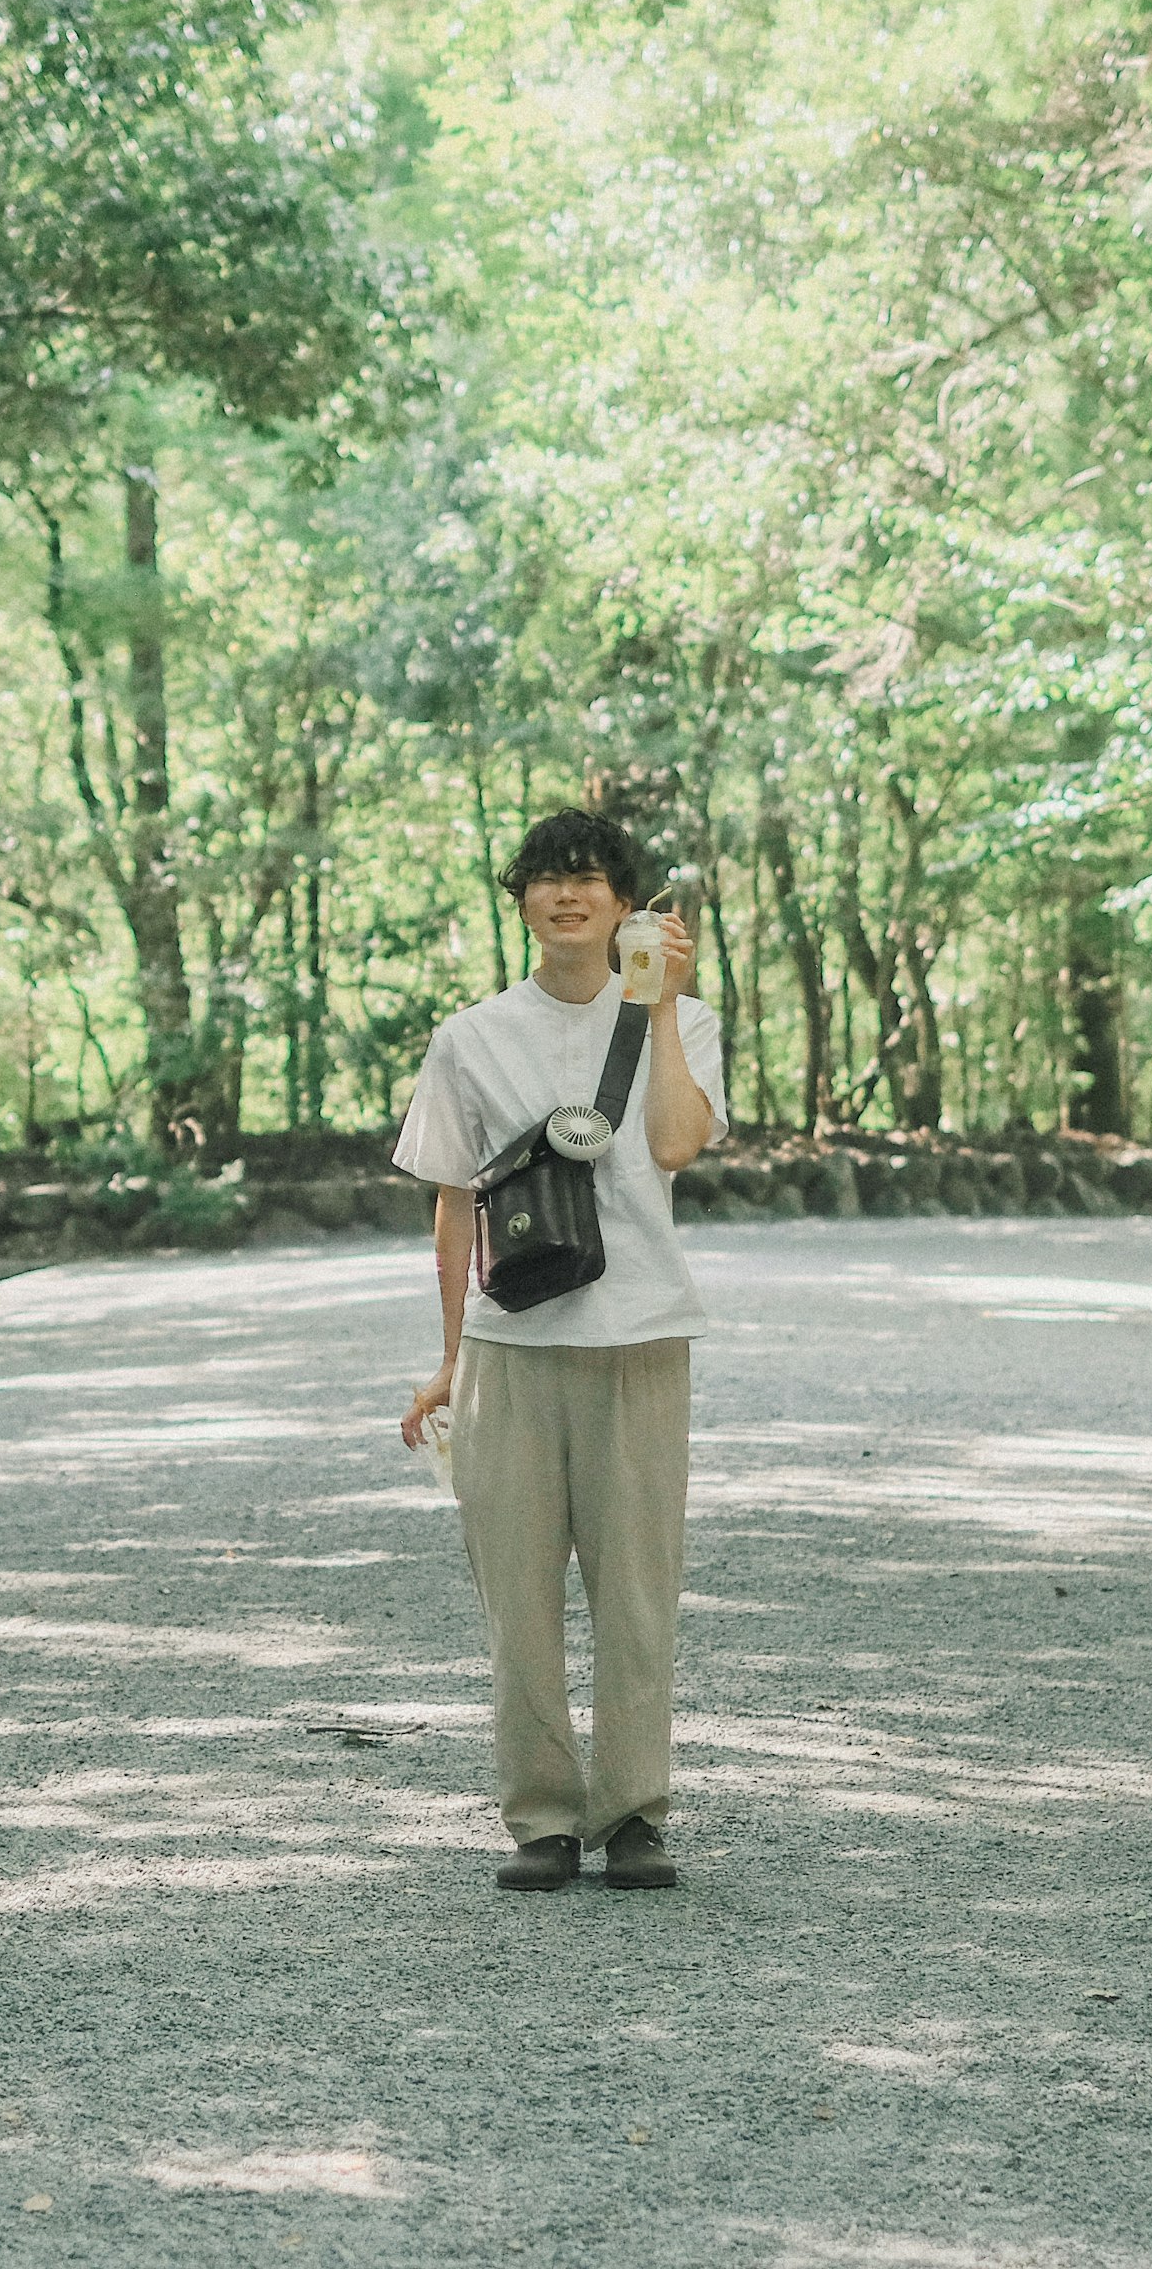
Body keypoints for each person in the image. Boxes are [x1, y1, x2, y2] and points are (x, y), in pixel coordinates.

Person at [392, 808, 728, 1892]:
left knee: (636, 1591)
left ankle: (632, 1812)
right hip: (512, 1344)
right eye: (545, 879)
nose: (566, 895)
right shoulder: (471, 1036)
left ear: (625, 903)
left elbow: (675, 1142)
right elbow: (454, 1206)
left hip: (640, 1334)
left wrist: (662, 1004)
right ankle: (539, 1813)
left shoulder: (687, 1019)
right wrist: (450, 1358)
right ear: (522, 901)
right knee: (517, 1594)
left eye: (588, 878)